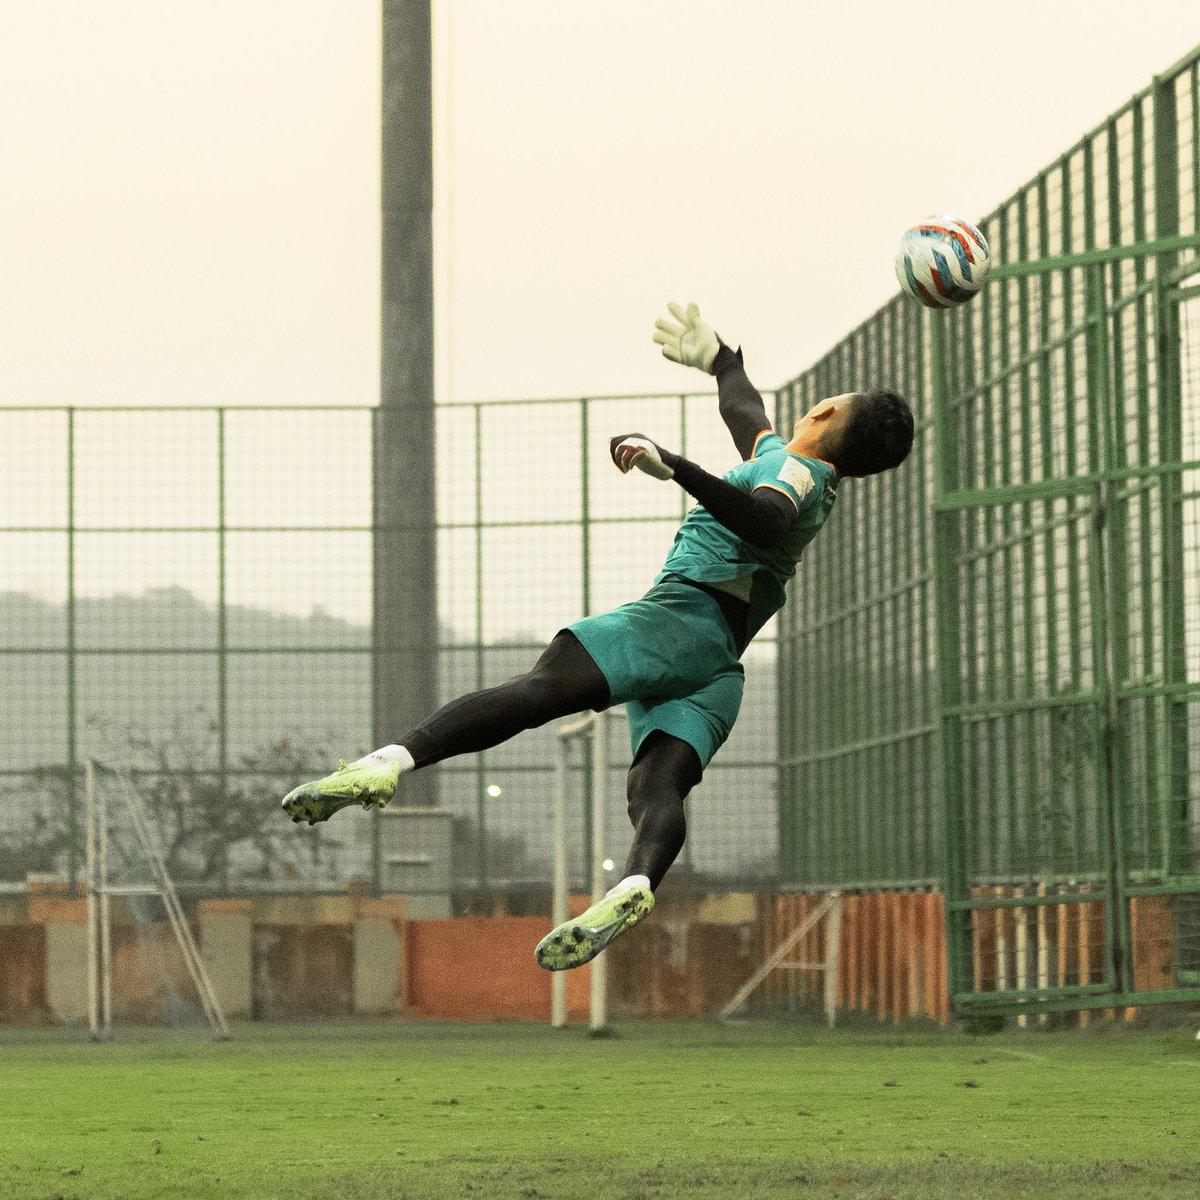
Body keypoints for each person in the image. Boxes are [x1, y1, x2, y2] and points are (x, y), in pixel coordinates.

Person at [281, 302, 913, 971]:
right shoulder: (790, 464)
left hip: (679, 624)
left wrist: (676, 467)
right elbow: (745, 413)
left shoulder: (796, 476)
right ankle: (635, 883)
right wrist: (723, 362)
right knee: (654, 790)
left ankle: (390, 762)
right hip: (718, 669)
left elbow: (764, 521)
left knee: (540, 688)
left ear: (824, 413)